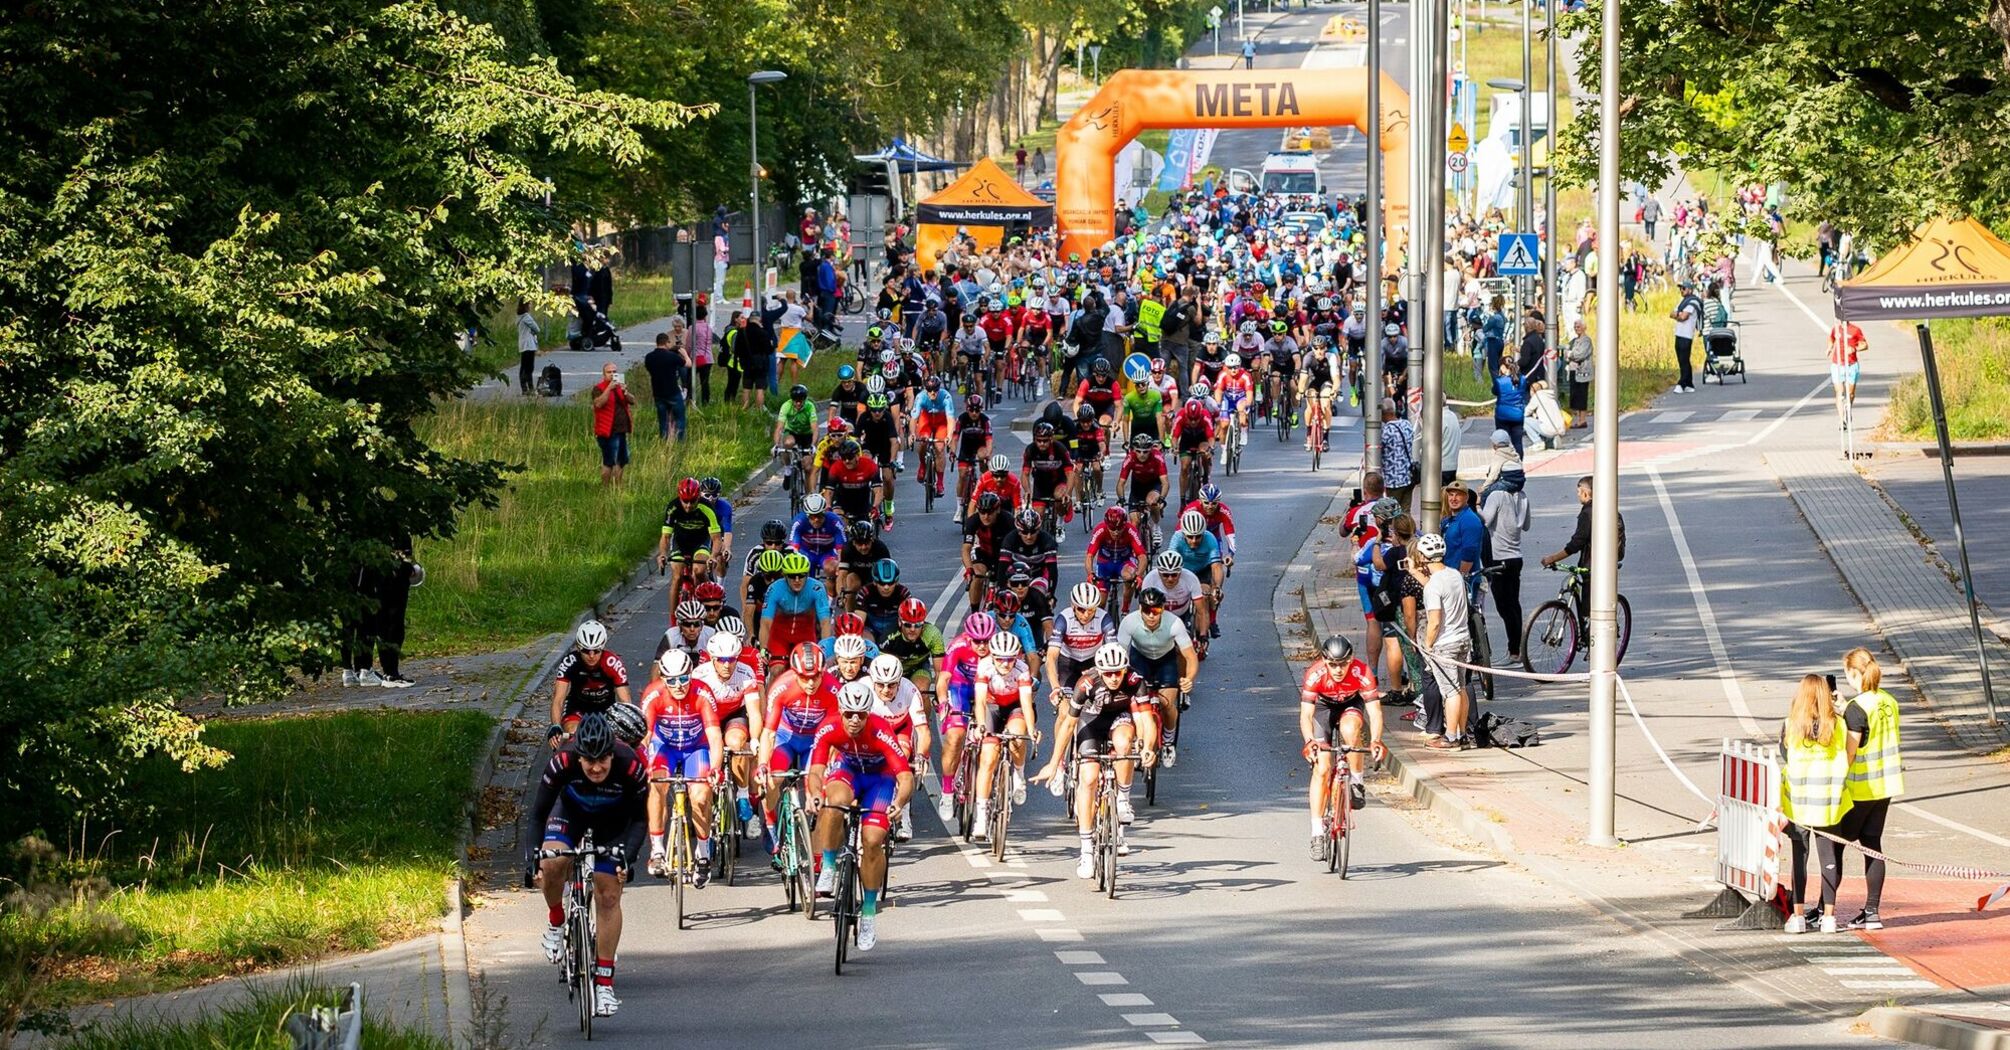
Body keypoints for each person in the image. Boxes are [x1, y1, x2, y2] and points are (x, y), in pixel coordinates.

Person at [527, 711, 647, 1017]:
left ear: (612, 754)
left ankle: (604, 984)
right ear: (578, 756)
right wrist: (532, 857)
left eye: (602, 761)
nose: (595, 768)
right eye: (588, 761)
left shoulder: (630, 764)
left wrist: (628, 857)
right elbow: (538, 814)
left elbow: (639, 819)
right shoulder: (562, 761)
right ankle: (556, 920)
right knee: (552, 864)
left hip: (614, 821)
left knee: (608, 894)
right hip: (570, 813)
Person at [1032, 643, 1146, 877]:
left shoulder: (1134, 679)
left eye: (1118, 672)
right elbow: (1069, 725)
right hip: (1091, 722)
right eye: (1108, 673)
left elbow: (1145, 721)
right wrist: (1055, 763)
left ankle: (1123, 800)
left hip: (1118, 718)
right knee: (1089, 778)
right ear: (1099, 670)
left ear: (1125, 669)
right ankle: (1086, 851)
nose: (1114, 678)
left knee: (1125, 745)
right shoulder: (1085, 683)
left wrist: (1146, 746)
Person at [1779, 674, 1856, 935]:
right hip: (1829, 801)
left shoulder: (1790, 725)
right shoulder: (1839, 726)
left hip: (1799, 803)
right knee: (1829, 858)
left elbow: (1786, 754)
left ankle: (1799, 915)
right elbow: (1849, 755)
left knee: (1799, 859)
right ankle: (1830, 918)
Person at [1299, 635, 1386, 859]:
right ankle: (1317, 831)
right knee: (1322, 768)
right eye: (1333, 665)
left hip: (1350, 705)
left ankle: (1357, 781)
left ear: (1351, 660)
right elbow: (1306, 715)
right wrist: (1310, 741)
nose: (1338, 670)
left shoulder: (1362, 672)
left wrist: (1376, 740)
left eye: (1343, 664)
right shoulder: (1314, 674)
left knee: (1351, 732)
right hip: (1323, 709)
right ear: (1324, 661)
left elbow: (1375, 712)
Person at [1837, 648, 1903, 930]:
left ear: (1854, 673)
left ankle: (1823, 907)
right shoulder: (1888, 701)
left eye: (1847, 675)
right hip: (1886, 784)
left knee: (1833, 845)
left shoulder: (1857, 707)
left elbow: (1850, 752)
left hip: (1861, 787)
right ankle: (1872, 912)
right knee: (1873, 846)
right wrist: (1846, 711)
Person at [1409, 533, 1472, 750]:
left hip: (1445, 644)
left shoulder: (1432, 587)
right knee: (1461, 688)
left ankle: (1451, 737)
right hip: (1463, 638)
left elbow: (1434, 621)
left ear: (1423, 557)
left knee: (1450, 692)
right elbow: (1438, 588)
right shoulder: (1454, 575)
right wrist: (1415, 573)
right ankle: (1462, 733)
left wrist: (1427, 645)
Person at [1477, 442, 1530, 664]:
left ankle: (1514, 651)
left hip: (1499, 558)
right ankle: (1518, 648)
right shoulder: (1523, 496)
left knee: (1503, 606)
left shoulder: (1498, 495)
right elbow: (1525, 525)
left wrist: (1477, 507)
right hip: (1516, 557)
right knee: (1514, 605)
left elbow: (1486, 520)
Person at [1540, 474, 1627, 572]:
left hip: (1592, 567)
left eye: (1578, 492)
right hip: (1610, 564)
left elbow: (1576, 543)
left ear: (1585, 493)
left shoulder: (1588, 513)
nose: (1577, 495)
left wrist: (1552, 558)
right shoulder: (1612, 511)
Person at [591, 362, 635, 485]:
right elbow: (598, 404)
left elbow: (632, 401)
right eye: (609, 372)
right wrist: (609, 388)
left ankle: (618, 487)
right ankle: (605, 488)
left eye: (614, 372)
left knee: (621, 461)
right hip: (607, 432)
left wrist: (625, 392)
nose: (612, 374)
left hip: (621, 430)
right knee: (609, 462)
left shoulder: (620, 387)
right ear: (604, 374)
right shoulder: (598, 388)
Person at [644, 331, 687, 441]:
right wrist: (684, 354)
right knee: (679, 418)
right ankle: (679, 440)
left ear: (657, 343)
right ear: (667, 342)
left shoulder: (649, 357)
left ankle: (664, 439)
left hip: (658, 392)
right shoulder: (672, 356)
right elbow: (688, 364)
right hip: (672, 391)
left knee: (663, 419)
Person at [1379, 397, 1416, 516]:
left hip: (1393, 480)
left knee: (1391, 514)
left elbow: (1378, 449)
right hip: (1409, 476)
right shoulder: (1406, 425)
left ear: (1384, 414)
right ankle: (1406, 533)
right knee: (1405, 512)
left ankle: (1394, 534)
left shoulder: (1386, 431)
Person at [1828, 318, 1867, 430]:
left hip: (1851, 365)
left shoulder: (1855, 330)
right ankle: (1842, 420)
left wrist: (1854, 349)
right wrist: (1830, 348)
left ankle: (1848, 408)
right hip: (1837, 365)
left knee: (1850, 394)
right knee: (1840, 393)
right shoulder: (1836, 329)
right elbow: (1831, 338)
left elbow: (1865, 345)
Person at [1669, 279, 1704, 393]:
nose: (1681, 290)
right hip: (1679, 333)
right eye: (1680, 288)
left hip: (1687, 334)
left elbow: (1684, 317)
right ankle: (1689, 383)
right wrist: (1678, 315)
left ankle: (1681, 383)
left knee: (1684, 359)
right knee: (1682, 359)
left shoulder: (1693, 302)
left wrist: (1677, 315)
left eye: (1683, 288)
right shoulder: (1682, 301)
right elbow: (1672, 313)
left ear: (1690, 289)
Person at [1563, 318, 1592, 425]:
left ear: (1584, 327)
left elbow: (1580, 355)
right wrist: (1570, 354)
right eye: (1575, 327)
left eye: (1578, 326)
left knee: (1582, 395)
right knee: (1575, 395)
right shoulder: (1573, 341)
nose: (1576, 329)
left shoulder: (1586, 341)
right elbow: (1566, 352)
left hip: (1583, 372)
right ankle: (1579, 418)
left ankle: (1582, 419)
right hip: (1573, 371)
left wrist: (1571, 354)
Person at [516, 300, 541, 395]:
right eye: (529, 304)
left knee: (523, 367)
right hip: (529, 345)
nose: (531, 306)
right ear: (526, 305)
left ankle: (524, 388)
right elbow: (537, 329)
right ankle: (530, 388)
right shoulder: (527, 317)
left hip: (522, 344)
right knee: (529, 368)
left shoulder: (519, 317)